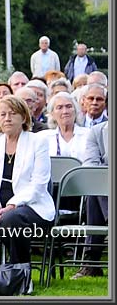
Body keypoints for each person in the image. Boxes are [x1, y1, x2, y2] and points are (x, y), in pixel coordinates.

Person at [0, 95, 55, 264]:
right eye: (3, 114)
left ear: (23, 117)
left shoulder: (38, 142)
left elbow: (38, 184)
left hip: (31, 205)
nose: (7, 118)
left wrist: (11, 206)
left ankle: (19, 271)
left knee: (12, 219)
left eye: (12, 113)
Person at [71, 120, 109, 279]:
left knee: (97, 190)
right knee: (95, 188)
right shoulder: (97, 132)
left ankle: (90, 262)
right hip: (106, 187)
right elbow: (90, 166)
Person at [38, 92, 89, 162]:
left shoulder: (89, 135)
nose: (65, 111)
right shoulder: (42, 137)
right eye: (59, 108)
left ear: (76, 110)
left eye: (69, 106)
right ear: (52, 113)